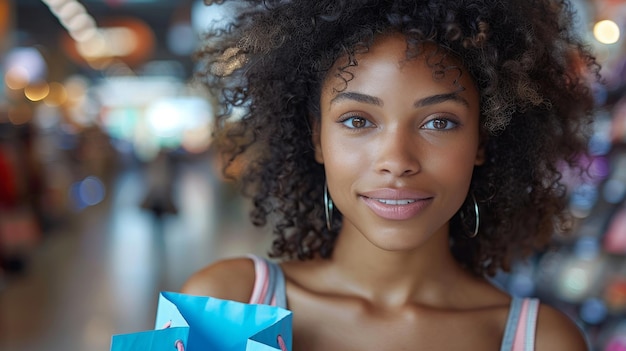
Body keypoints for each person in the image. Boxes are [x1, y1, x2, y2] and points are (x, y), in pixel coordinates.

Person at [182, 0, 599, 349]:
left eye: (439, 122)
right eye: (358, 120)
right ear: (316, 139)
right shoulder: (227, 301)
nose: (397, 160)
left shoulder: (540, 340)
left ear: (482, 142)